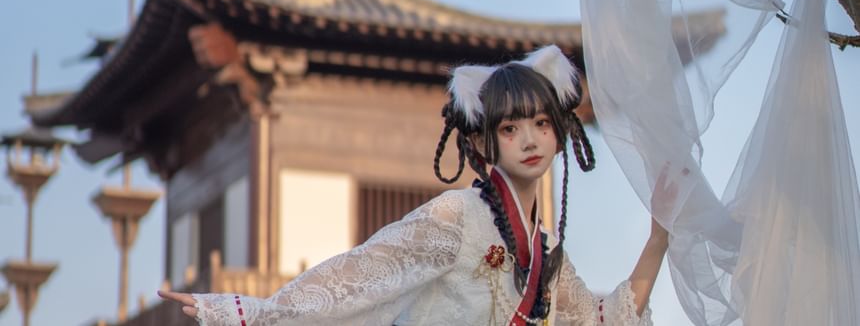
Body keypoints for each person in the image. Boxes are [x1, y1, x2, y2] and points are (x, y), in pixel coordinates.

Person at [159, 45, 671, 325]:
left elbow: (601, 322)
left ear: (560, 135)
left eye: (541, 124)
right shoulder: (455, 216)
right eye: (510, 128)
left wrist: (658, 240)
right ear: (484, 144)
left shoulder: (547, 247)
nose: (529, 139)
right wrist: (247, 311)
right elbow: (354, 278)